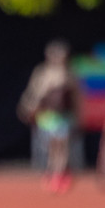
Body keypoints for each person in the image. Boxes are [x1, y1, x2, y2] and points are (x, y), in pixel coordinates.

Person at [17, 40, 82, 192]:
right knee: (52, 147)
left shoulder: (70, 73)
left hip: (64, 116)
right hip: (47, 117)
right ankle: (53, 173)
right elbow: (33, 93)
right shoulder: (42, 73)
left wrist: (79, 115)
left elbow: (78, 97)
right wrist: (26, 107)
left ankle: (59, 176)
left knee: (62, 146)